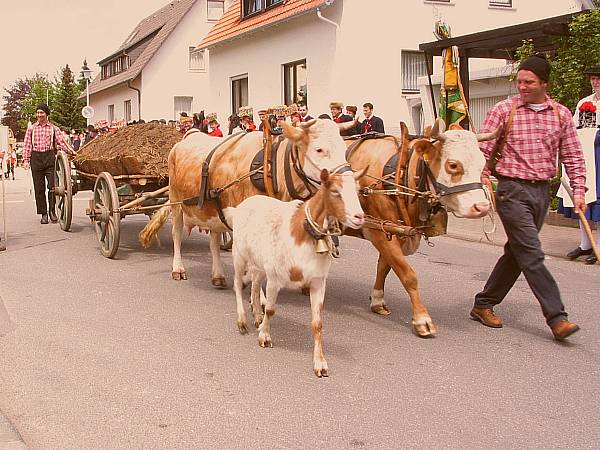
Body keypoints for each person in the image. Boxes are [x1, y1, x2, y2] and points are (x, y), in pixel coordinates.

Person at [472, 55, 586, 341]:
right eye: (519, 81)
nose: (522, 87)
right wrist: (480, 179)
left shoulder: (561, 114)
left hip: (540, 192)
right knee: (532, 252)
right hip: (511, 191)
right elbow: (484, 150)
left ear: (544, 84)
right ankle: (557, 317)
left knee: (518, 252)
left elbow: (573, 156)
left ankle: (483, 303)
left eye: (529, 82)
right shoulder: (504, 110)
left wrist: (580, 191)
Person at [557, 66, 600, 265]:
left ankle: (598, 245)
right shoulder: (585, 102)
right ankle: (585, 244)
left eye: (599, 80)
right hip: (586, 155)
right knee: (584, 198)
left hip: (599, 156)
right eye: (593, 79)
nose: (596, 83)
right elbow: (576, 126)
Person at [22, 104, 75, 224]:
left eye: (42, 113)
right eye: (38, 113)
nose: (39, 115)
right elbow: (27, 145)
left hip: (49, 157)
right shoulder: (32, 128)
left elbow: (61, 142)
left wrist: (71, 152)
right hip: (36, 158)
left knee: (52, 187)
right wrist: (26, 160)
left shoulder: (53, 128)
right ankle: (43, 213)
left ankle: (52, 211)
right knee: (39, 188)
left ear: (46, 114)